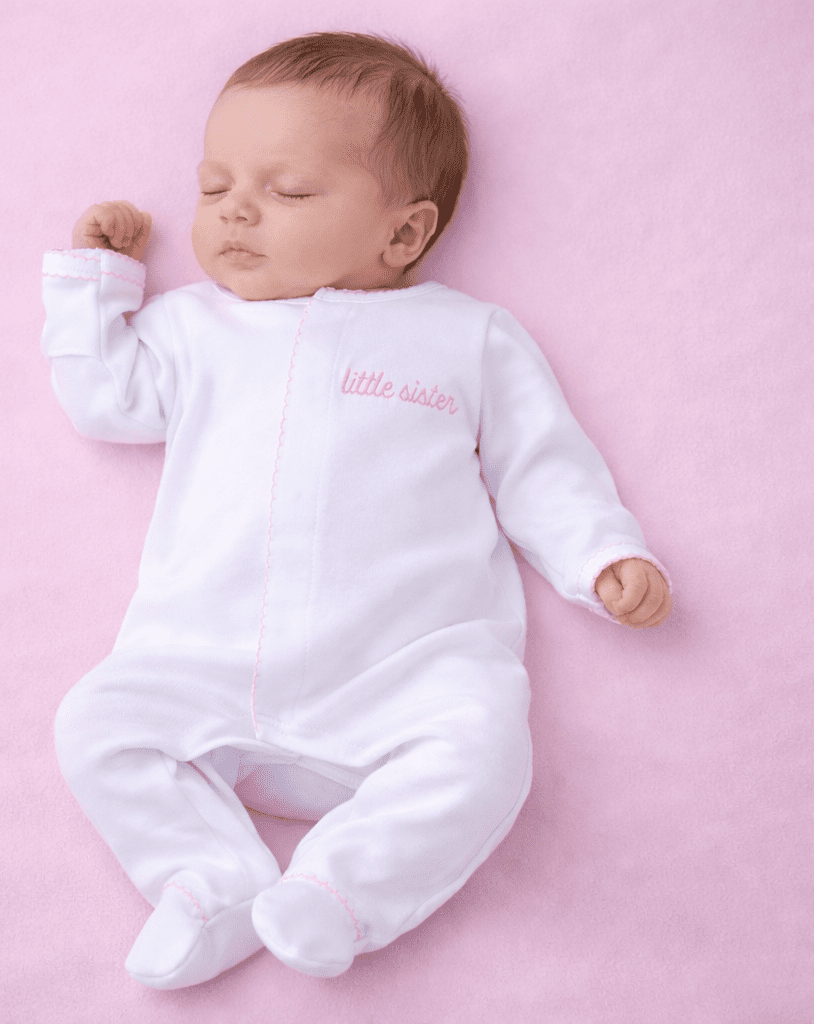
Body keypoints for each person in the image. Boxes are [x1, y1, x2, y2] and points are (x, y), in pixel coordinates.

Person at [42, 32, 671, 989]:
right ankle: (209, 882)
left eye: (289, 191)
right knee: (96, 723)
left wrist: (600, 556)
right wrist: (97, 283)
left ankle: (338, 893)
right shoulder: (195, 328)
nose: (236, 210)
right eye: (214, 186)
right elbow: (105, 399)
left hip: (404, 675)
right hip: (202, 662)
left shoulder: (465, 338)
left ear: (403, 234)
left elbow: (542, 465)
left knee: (486, 749)